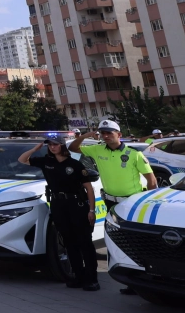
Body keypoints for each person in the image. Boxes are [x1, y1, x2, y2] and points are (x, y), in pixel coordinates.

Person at [19, 135, 100, 291]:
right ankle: (78, 276)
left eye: (55, 144)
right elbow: (22, 160)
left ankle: (92, 279)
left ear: (62, 146)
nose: (52, 147)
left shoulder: (75, 165)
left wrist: (91, 210)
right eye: (50, 145)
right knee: (69, 242)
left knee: (84, 242)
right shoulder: (47, 162)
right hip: (58, 205)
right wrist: (35, 149)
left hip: (77, 204)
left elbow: (88, 188)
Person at [75, 119, 156, 216]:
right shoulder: (97, 149)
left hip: (132, 202)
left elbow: (152, 181)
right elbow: (73, 148)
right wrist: (83, 136)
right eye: (102, 133)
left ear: (119, 134)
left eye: (109, 133)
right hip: (110, 202)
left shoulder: (135, 153)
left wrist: (149, 203)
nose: (105, 136)